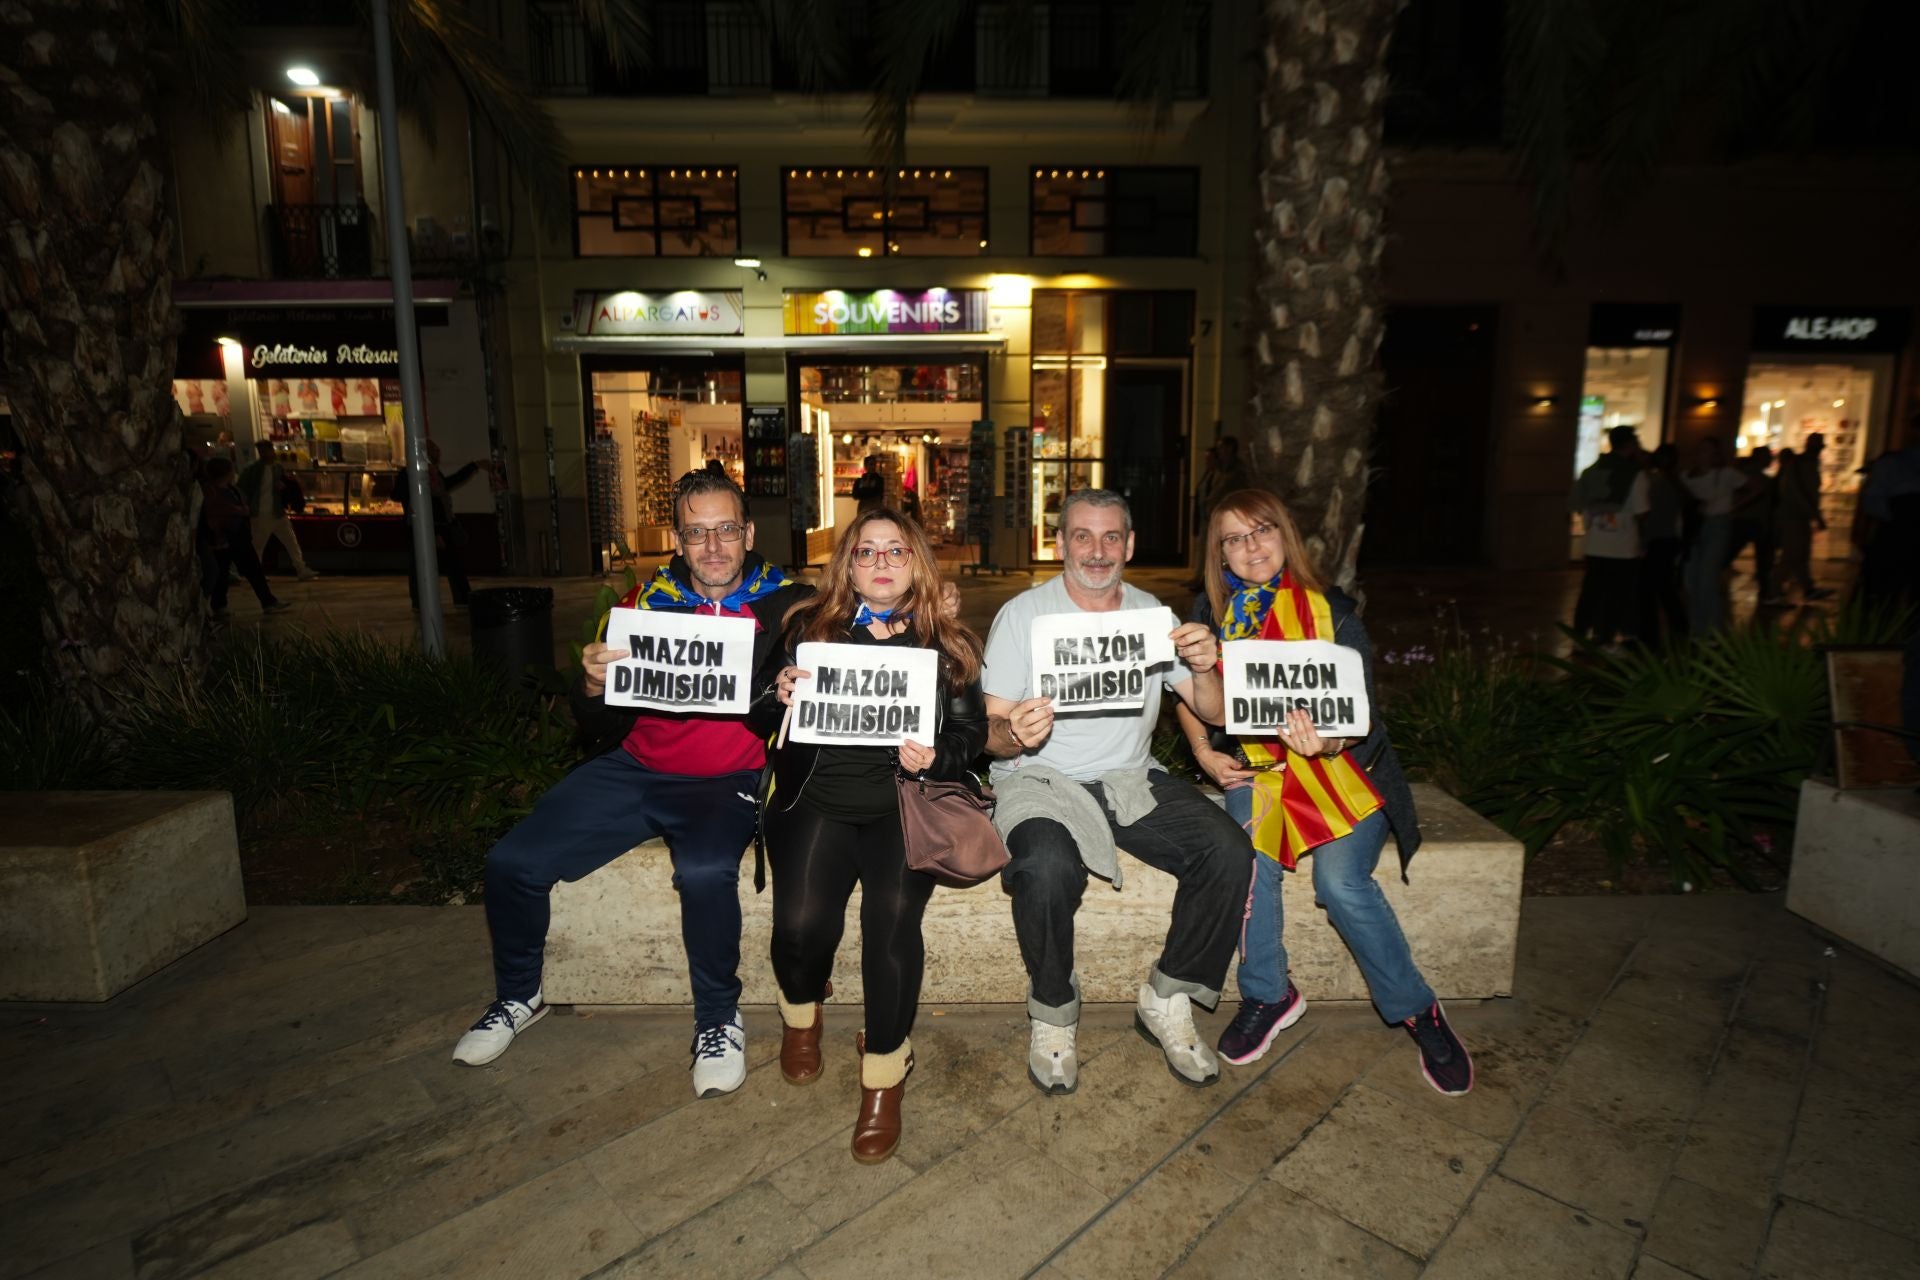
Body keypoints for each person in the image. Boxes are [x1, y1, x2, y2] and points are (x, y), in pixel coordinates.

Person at [451, 470, 815, 1098]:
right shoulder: (642, 605)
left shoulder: (791, 604)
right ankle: (520, 995)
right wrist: (590, 687)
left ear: (748, 532)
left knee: (703, 872)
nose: (713, 547)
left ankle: (718, 1019)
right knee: (511, 861)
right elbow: (597, 721)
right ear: (676, 540)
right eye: (697, 533)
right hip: (636, 768)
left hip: (724, 777)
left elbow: (865, 626)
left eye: (726, 530)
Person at [1174, 489, 1471, 1093]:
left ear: (1284, 535)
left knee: (1340, 882)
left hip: (1342, 770)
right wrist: (1205, 751)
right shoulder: (1209, 610)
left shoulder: (1334, 612)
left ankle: (1418, 1009)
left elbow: (1359, 719)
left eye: (1260, 531)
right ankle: (1268, 993)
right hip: (1259, 770)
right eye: (1233, 538)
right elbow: (1184, 693)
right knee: (1245, 862)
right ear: (1219, 553)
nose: (1249, 547)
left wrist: (1325, 744)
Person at [983, 489, 1251, 1092]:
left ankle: (1168, 995)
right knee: (1046, 867)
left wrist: (1207, 665)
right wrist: (1014, 733)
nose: (1096, 551)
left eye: (1111, 538)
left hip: (1129, 776)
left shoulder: (1153, 617)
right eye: (1082, 535)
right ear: (1059, 544)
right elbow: (991, 734)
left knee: (1228, 852)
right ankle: (1053, 1011)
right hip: (1039, 779)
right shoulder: (1023, 616)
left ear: (1129, 545)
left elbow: (1209, 710)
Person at [766, 507, 987, 1163]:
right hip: (819, 801)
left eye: (896, 550)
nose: (883, 562)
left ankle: (884, 1074)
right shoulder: (811, 630)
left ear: (917, 561)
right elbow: (758, 715)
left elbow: (973, 744)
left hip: (903, 808)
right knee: (800, 927)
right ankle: (800, 1010)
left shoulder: (947, 643)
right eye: (868, 552)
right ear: (848, 565)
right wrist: (776, 692)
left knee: (890, 926)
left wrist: (938, 758)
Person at [1569, 427, 1649, 645]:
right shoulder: (1635, 473)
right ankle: (1604, 639)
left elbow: (1579, 504)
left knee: (1590, 592)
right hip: (1622, 545)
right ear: (1629, 444)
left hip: (1595, 542)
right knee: (1616, 594)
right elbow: (1642, 511)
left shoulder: (1591, 471)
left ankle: (1580, 636)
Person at [394, 439, 482, 609]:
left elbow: (446, 486)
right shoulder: (414, 475)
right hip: (428, 527)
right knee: (436, 564)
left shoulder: (430, 474)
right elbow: (423, 504)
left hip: (437, 525)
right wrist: (434, 533)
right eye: (434, 450)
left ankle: (458, 599)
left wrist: (473, 466)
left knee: (448, 564)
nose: (438, 453)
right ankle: (427, 602)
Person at [198, 457, 289, 618]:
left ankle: (266, 601)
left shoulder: (230, 489)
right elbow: (218, 510)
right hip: (222, 537)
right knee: (224, 572)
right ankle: (221, 605)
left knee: (251, 569)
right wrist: (239, 510)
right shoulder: (211, 491)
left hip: (238, 535)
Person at [1680, 437, 1749, 633]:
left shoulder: (1726, 474)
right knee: (1691, 579)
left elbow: (1755, 487)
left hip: (1717, 524)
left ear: (1716, 454)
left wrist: (1733, 507)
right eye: (1701, 450)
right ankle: (1697, 628)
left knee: (1707, 579)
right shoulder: (1687, 476)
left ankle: (1714, 630)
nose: (1704, 454)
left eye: (1709, 450)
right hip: (1694, 527)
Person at [238, 440, 318, 581]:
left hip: (276, 512)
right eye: (264, 451)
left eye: (267, 450)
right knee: (260, 545)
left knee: (290, 541)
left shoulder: (276, 468)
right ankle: (257, 573)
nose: (268, 453)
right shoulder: (252, 470)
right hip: (261, 513)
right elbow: (242, 489)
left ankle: (300, 569)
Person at [1638, 443, 1688, 643]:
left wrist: (1642, 542)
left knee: (1649, 591)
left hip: (1656, 542)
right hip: (1668, 541)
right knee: (1665, 588)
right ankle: (1679, 627)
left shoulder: (1656, 483)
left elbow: (1650, 518)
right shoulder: (1674, 482)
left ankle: (1651, 637)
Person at [1775, 434, 1833, 604]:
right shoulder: (1801, 464)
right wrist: (1815, 515)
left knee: (1801, 554)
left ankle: (1808, 588)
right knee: (1792, 554)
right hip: (1794, 515)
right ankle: (1773, 590)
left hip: (1798, 515)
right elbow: (1800, 493)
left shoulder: (1806, 464)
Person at [1185, 435, 1248, 589]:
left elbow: (1233, 491)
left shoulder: (1236, 469)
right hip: (1211, 514)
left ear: (1229, 448)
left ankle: (1214, 582)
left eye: (1222, 447)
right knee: (1205, 548)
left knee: (1219, 550)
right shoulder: (1220, 469)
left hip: (1225, 514)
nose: (1219, 451)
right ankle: (1202, 578)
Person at [1726, 445, 1777, 601]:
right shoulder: (1754, 477)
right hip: (1751, 521)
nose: (1770, 460)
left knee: (1734, 553)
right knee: (1763, 558)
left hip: (1747, 520)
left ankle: (1765, 590)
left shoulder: (1745, 473)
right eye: (1768, 456)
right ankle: (1765, 591)